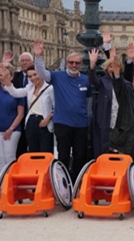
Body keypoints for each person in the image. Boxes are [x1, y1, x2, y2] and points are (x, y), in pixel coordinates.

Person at [33, 40, 91, 180]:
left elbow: (89, 101)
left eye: (77, 63)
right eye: (71, 62)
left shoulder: (85, 80)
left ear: (81, 65)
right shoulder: (58, 76)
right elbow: (42, 74)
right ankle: (63, 185)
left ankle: (76, 184)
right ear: (67, 63)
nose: (74, 65)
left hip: (81, 124)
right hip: (63, 123)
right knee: (63, 156)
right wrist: (38, 57)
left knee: (79, 156)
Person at [0, 62, 26, 176]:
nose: (2, 77)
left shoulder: (18, 92)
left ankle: (11, 183)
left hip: (12, 130)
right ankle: (2, 185)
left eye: (6, 75)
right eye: (1, 75)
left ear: (12, 77)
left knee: (10, 157)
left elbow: (20, 114)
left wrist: (11, 128)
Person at [87, 47, 121, 158]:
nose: (113, 69)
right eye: (110, 66)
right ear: (106, 69)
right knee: (103, 152)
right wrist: (92, 64)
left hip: (120, 125)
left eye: (116, 66)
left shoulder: (125, 84)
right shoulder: (103, 82)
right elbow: (93, 79)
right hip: (105, 123)